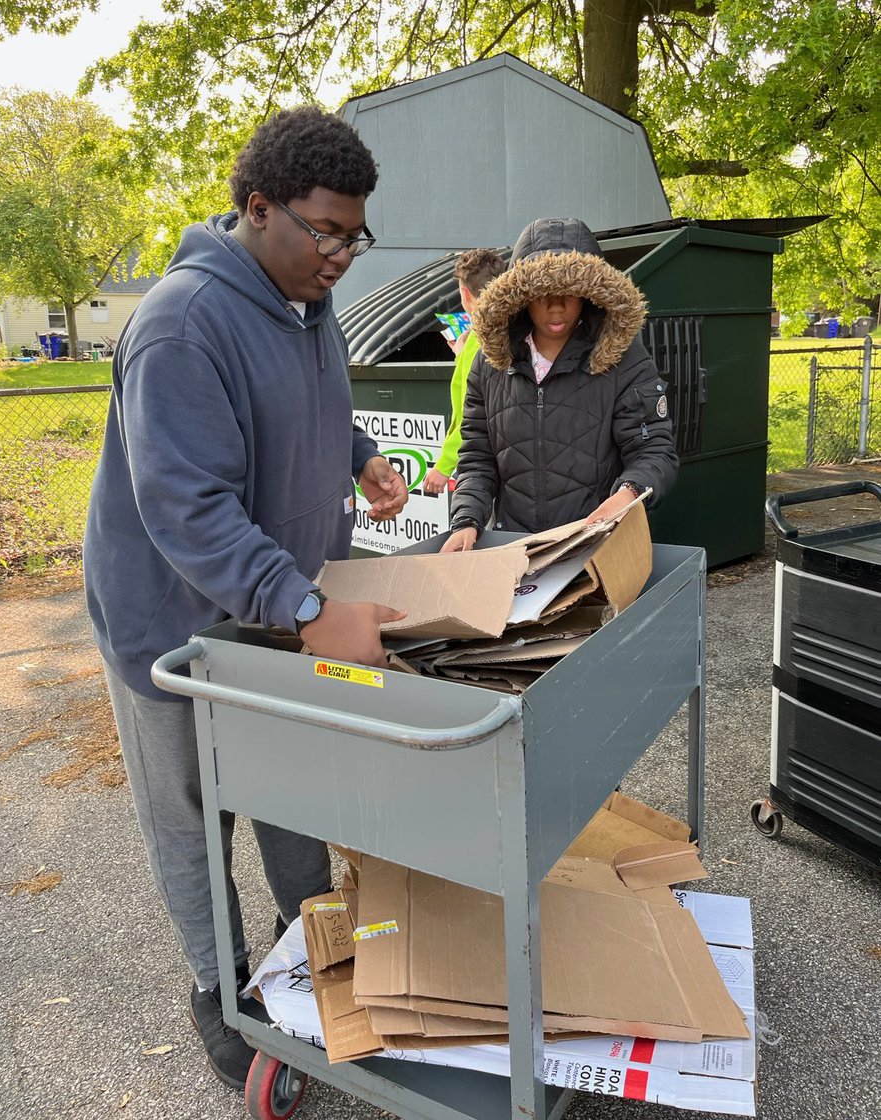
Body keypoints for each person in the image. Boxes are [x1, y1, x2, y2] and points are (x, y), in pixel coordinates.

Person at [83, 106, 408, 1090]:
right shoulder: (181, 323)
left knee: (292, 788)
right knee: (194, 813)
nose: (342, 255)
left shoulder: (310, 302)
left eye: (356, 234)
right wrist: (310, 609)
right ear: (257, 207)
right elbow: (188, 508)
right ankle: (217, 983)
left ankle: (304, 945)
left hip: (270, 611)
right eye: (324, 230)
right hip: (173, 626)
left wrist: (360, 459)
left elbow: (318, 403)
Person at [440, 217, 678, 549]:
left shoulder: (624, 358)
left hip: (597, 545)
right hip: (514, 549)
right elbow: (478, 458)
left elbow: (654, 450)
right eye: (543, 293)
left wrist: (629, 494)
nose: (556, 306)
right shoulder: (491, 361)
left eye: (569, 291)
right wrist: (466, 521)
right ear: (522, 295)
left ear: (589, 294)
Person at [422, 248, 507, 496]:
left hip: (482, 465)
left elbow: (471, 414)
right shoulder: (500, 331)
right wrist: (462, 354)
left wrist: (444, 465)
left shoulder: (479, 341)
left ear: (465, 293)